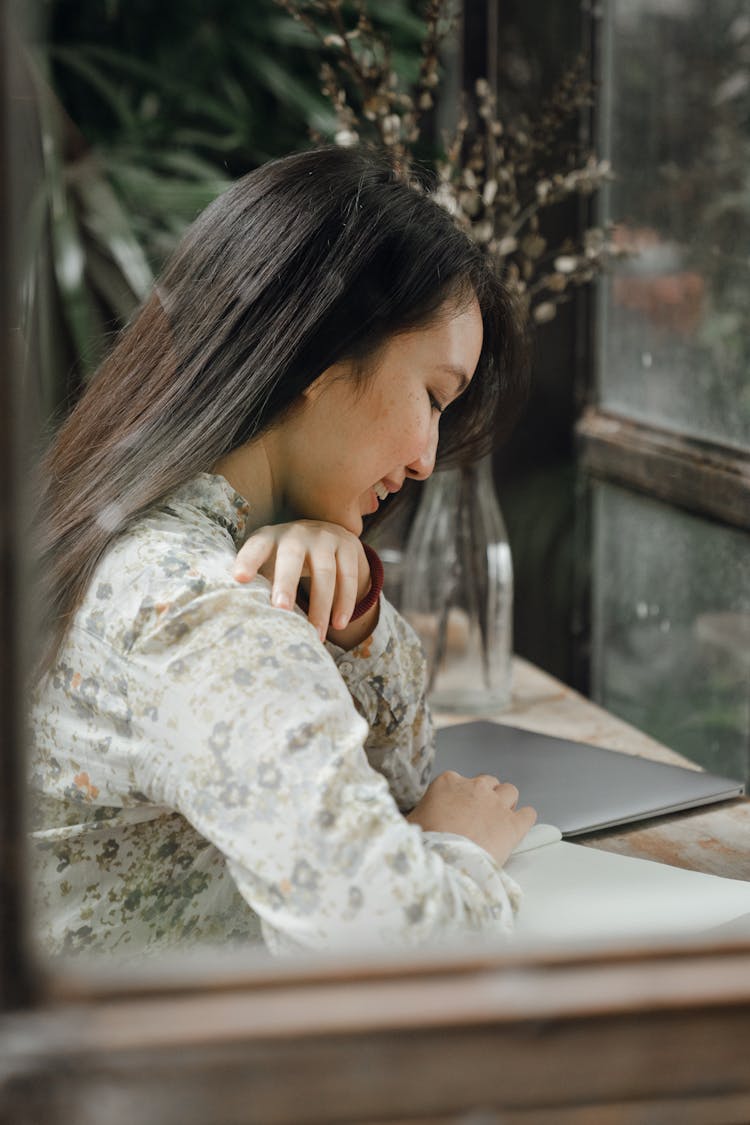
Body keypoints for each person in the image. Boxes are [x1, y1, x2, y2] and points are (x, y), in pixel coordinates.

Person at [29, 145, 536, 959]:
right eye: (434, 396)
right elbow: (393, 952)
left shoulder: (131, 534)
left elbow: (389, 783)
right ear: (326, 356)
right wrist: (464, 848)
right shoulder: (206, 614)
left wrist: (352, 620)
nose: (425, 460)